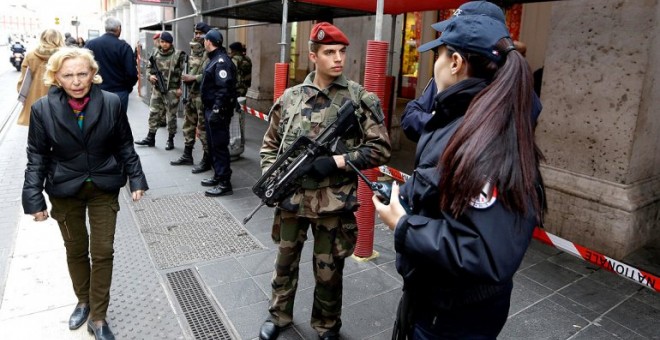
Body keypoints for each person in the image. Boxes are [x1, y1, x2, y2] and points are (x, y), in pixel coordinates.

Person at [372, 2, 545, 339]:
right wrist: (407, 198)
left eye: (438, 55)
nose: (433, 65)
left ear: (455, 62)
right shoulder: (469, 112)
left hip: (452, 312)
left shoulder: (483, 134)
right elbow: (446, 192)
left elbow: (485, 250)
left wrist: (404, 226)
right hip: (439, 296)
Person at [258, 22, 391, 340]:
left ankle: (327, 324)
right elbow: (269, 146)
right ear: (313, 55)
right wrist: (274, 181)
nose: (338, 59)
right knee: (284, 262)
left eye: (342, 52)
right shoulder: (290, 98)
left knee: (329, 270)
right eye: (329, 52)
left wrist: (337, 161)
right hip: (291, 199)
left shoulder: (359, 99)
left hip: (333, 201)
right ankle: (278, 316)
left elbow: (381, 148)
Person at [21, 47, 148, 340]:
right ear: (56, 78)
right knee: (76, 250)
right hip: (64, 188)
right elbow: (36, 156)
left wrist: (137, 179)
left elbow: (125, 145)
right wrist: (33, 198)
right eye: (68, 75)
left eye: (82, 73)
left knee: (102, 252)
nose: (76, 81)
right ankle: (83, 300)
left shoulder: (112, 103)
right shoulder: (42, 109)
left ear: (93, 73)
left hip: (103, 186)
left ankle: (98, 317)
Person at [199, 29, 236, 196]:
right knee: (214, 145)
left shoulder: (220, 61)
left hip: (217, 112)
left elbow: (224, 88)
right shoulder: (215, 59)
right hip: (212, 110)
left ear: (209, 42)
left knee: (219, 146)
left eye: (205, 40)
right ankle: (218, 175)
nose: (204, 42)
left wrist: (216, 110)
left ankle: (224, 183)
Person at [134, 31, 185, 150]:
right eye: (162, 42)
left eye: (167, 42)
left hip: (171, 90)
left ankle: (170, 139)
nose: (164, 44)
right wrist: (149, 76)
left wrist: (180, 88)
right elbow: (148, 68)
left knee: (171, 116)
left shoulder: (178, 55)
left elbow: (184, 72)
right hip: (157, 89)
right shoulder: (155, 53)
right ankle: (150, 138)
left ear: (171, 43)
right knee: (153, 113)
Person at [170, 22, 211, 169]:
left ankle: (207, 159)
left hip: (204, 95)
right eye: (196, 32)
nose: (197, 35)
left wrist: (195, 78)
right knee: (188, 125)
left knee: (203, 128)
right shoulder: (193, 51)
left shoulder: (211, 52)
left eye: (201, 33)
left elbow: (211, 73)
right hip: (192, 94)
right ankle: (187, 155)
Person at [85, 17, 138, 117]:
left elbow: (83, 67)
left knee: (98, 121)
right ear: (118, 29)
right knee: (119, 122)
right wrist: (128, 87)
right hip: (119, 91)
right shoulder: (123, 47)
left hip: (97, 90)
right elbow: (131, 73)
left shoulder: (90, 44)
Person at [16, 29, 65, 126]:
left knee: (38, 131)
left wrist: (23, 98)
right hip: (60, 99)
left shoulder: (31, 55)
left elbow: (25, 80)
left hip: (35, 99)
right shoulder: (64, 56)